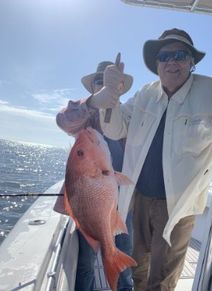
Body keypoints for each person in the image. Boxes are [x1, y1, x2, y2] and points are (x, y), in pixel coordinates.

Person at [87, 28, 212, 290]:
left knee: (163, 278)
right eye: (165, 56)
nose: (172, 62)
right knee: (138, 270)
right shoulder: (144, 93)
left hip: (179, 207)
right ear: (156, 64)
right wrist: (111, 96)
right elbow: (116, 128)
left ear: (192, 61)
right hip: (140, 200)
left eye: (180, 55)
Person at [54, 61, 134, 291]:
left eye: (112, 82)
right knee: (86, 263)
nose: (105, 85)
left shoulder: (127, 114)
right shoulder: (84, 116)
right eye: (100, 82)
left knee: (125, 256)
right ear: (92, 88)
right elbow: (62, 120)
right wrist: (92, 103)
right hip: (90, 201)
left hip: (123, 201)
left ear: (121, 87)